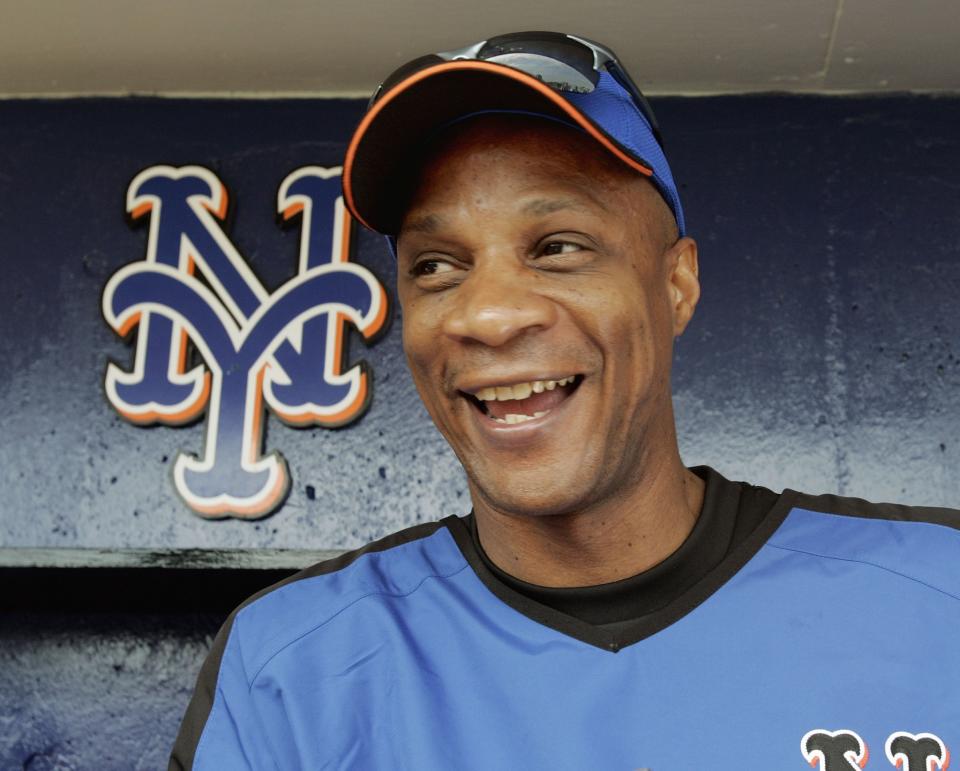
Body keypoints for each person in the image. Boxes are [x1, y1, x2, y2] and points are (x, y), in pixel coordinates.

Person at [170, 32, 960, 770]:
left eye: (557, 247)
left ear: (676, 284)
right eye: (437, 266)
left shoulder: (938, 596)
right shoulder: (291, 667)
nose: (487, 314)